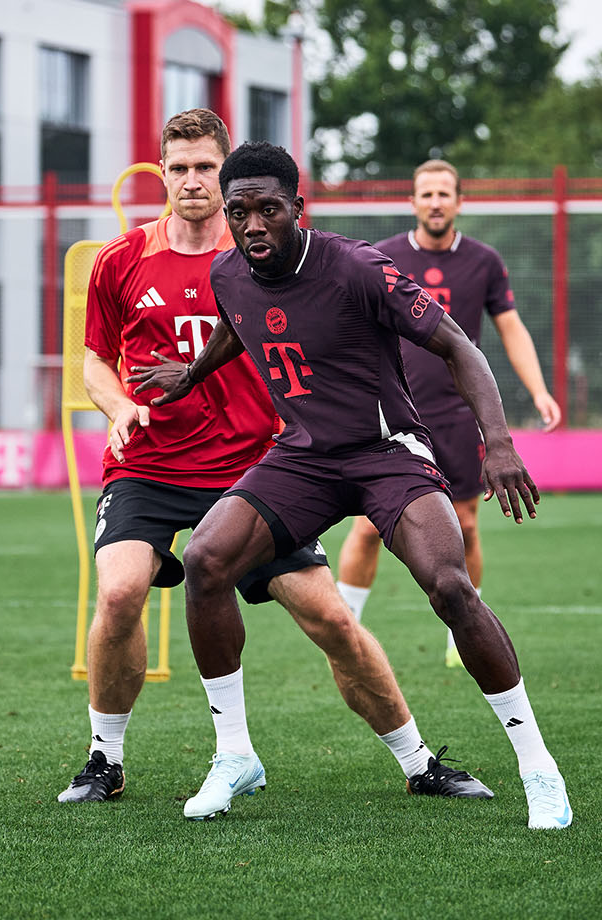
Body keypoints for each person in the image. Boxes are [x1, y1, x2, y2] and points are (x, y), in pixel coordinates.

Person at [130, 140, 572, 829]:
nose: (252, 226)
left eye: (268, 210)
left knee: (451, 587)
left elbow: (459, 344)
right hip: (302, 456)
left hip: (385, 453)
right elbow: (235, 328)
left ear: (296, 209)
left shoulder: (359, 266)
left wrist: (501, 443)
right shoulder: (229, 272)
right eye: (239, 211)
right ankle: (234, 755)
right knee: (208, 561)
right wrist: (190, 375)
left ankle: (538, 766)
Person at [63, 108, 489, 814]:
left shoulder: (265, 253)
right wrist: (120, 408)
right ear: (161, 175)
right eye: (179, 168)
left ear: (227, 172)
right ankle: (105, 756)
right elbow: (94, 362)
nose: (192, 180)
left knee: (329, 619)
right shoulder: (120, 261)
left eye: (205, 167)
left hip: (256, 469)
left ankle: (418, 762)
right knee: (116, 593)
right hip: (149, 466)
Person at [336, 159, 562, 665]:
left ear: (459, 202)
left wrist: (539, 389)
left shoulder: (484, 261)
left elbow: (510, 328)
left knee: (466, 525)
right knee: (370, 525)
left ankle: (463, 635)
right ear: (413, 202)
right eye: (426, 194)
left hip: (459, 417)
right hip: (393, 414)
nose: (435, 202)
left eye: (444, 194)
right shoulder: (382, 256)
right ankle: (344, 624)